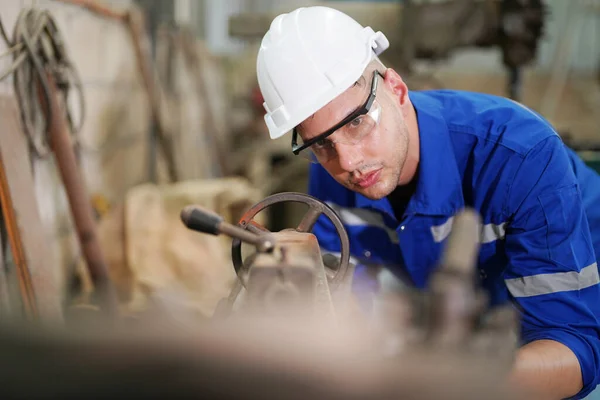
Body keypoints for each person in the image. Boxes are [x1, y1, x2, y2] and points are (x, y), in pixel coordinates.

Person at [255, 6, 600, 400]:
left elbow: (575, 351)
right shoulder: (330, 176)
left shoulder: (519, 157)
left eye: (356, 123)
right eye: (321, 144)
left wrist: (458, 380)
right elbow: (346, 300)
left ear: (397, 91)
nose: (348, 162)